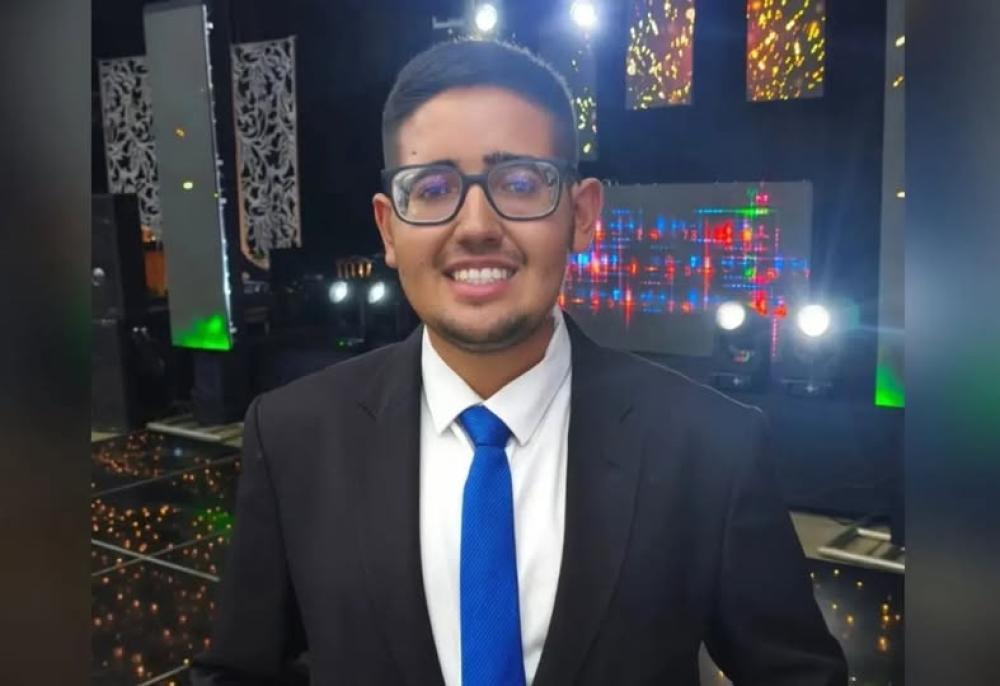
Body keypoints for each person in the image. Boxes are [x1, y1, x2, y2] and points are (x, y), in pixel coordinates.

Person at [192, 39, 847, 686]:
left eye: (521, 183)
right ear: (389, 228)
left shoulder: (710, 448)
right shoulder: (295, 435)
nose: (476, 225)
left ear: (582, 214)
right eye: (433, 187)